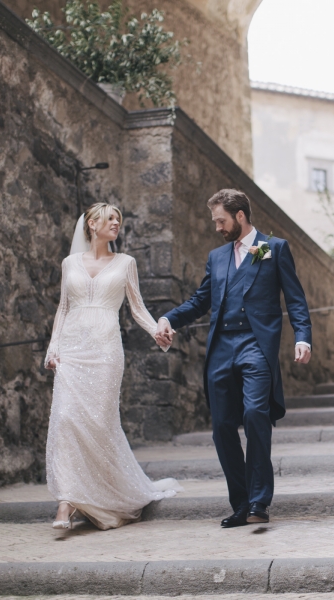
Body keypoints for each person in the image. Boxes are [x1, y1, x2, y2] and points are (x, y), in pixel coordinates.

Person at [156, 189, 311, 528]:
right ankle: (241, 504)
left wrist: (303, 337)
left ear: (240, 216)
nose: (217, 227)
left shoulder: (273, 248)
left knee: (256, 413)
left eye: (220, 221)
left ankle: (259, 501)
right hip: (222, 348)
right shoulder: (217, 257)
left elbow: (295, 300)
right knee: (222, 427)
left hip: (256, 345)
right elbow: (200, 301)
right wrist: (169, 319)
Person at [44, 202, 181, 530]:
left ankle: (107, 494)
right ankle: (67, 501)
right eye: (109, 219)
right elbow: (63, 308)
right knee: (64, 420)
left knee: (100, 424)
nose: (115, 223)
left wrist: (156, 331)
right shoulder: (69, 263)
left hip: (106, 352)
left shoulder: (126, 263)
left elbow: (137, 307)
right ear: (91, 224)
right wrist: (53, 347)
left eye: (118, 219)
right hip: (72, 351)